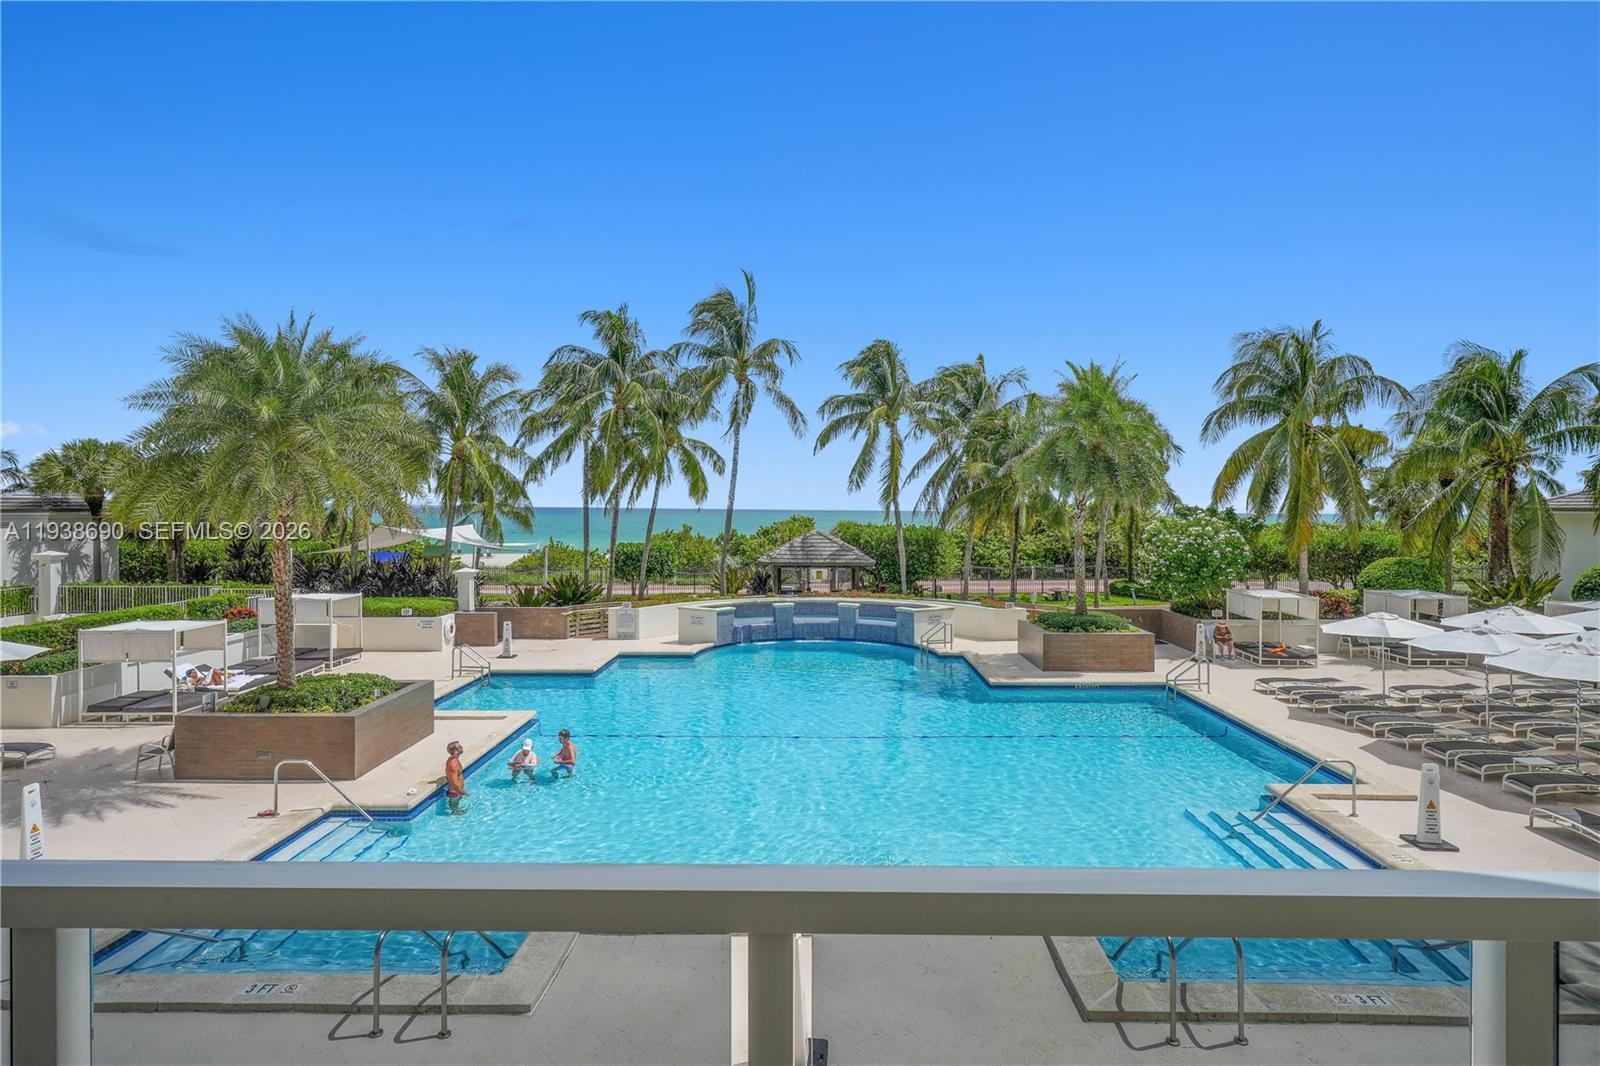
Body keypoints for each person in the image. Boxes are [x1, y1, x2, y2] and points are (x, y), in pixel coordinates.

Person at [444, 740, 468, 813]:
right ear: (455, 751)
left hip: (456, 792)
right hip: (455, 793)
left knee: (457, 809)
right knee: (455, 811)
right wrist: (462, 792)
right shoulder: (453, 765)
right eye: (460, 747)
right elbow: (454, 783)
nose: (462, 748)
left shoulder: (454, 760)